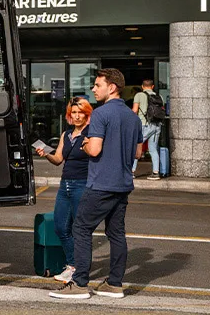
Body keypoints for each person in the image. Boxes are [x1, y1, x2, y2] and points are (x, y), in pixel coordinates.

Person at [50, 68, 143, 300]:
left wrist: (85, 144)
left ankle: (80, 283)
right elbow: (138, 153)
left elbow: (94, 149)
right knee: (116, 233)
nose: (93, 89)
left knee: (81, 228)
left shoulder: (101, 114)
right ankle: (114, 284)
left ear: (112, 87)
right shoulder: (133, 117)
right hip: (123, 184)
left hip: (101, 183)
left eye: (97, 85)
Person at [36, 98, 92, 283]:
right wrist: (46, 153)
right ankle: (73, 265)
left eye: (80, 112)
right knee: (60, 227)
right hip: (65, 185)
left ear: (87, 114)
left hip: (82, 184)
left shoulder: (91, 133)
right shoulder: (66, 134)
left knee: (80, 230)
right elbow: (58, 159)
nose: (77, 116)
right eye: (74, 112)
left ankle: (79, 270)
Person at [131, 79, 163, 181]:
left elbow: (135, 110)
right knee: (153, 149)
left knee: (136, 147)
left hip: (144, 125)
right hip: (157, 125)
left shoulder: (139, 95)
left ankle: (131, 172)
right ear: (152, 86)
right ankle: (156, 173)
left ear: (142, 86)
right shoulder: (159, 96)